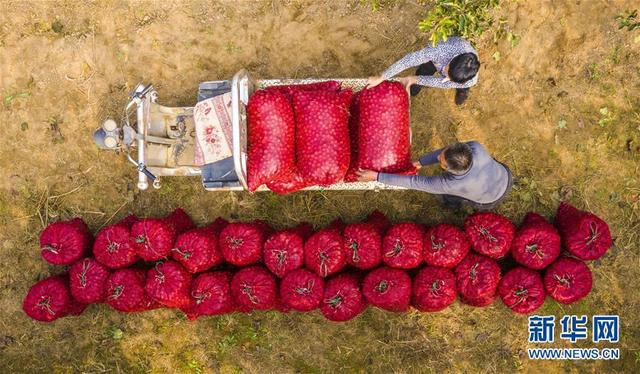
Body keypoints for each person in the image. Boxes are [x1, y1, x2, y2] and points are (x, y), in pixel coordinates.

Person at [356, 141, 513, 210]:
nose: (438, 158)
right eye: (443, 154)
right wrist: (420, 162)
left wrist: (377, 176)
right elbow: (443, 152)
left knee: (452, 197)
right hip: (504, 174)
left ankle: (451, 204)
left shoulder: (448, 185)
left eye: (441, 162)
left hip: (490, 198)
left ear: (449, 170)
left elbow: (414, 182)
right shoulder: (475, 148)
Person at [367, 37, 480, 105]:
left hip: (461, 79)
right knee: (424, 70)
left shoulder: (471, 79)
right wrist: (382, 76)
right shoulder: (438, 51)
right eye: (447, 72)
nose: (445, 77)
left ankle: (462, 90)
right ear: (451, 61)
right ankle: (413, 90)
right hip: (435, 61)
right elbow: (409, 60)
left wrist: (415, 79)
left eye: (451, 78)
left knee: (461, 85)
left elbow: (442, 83)